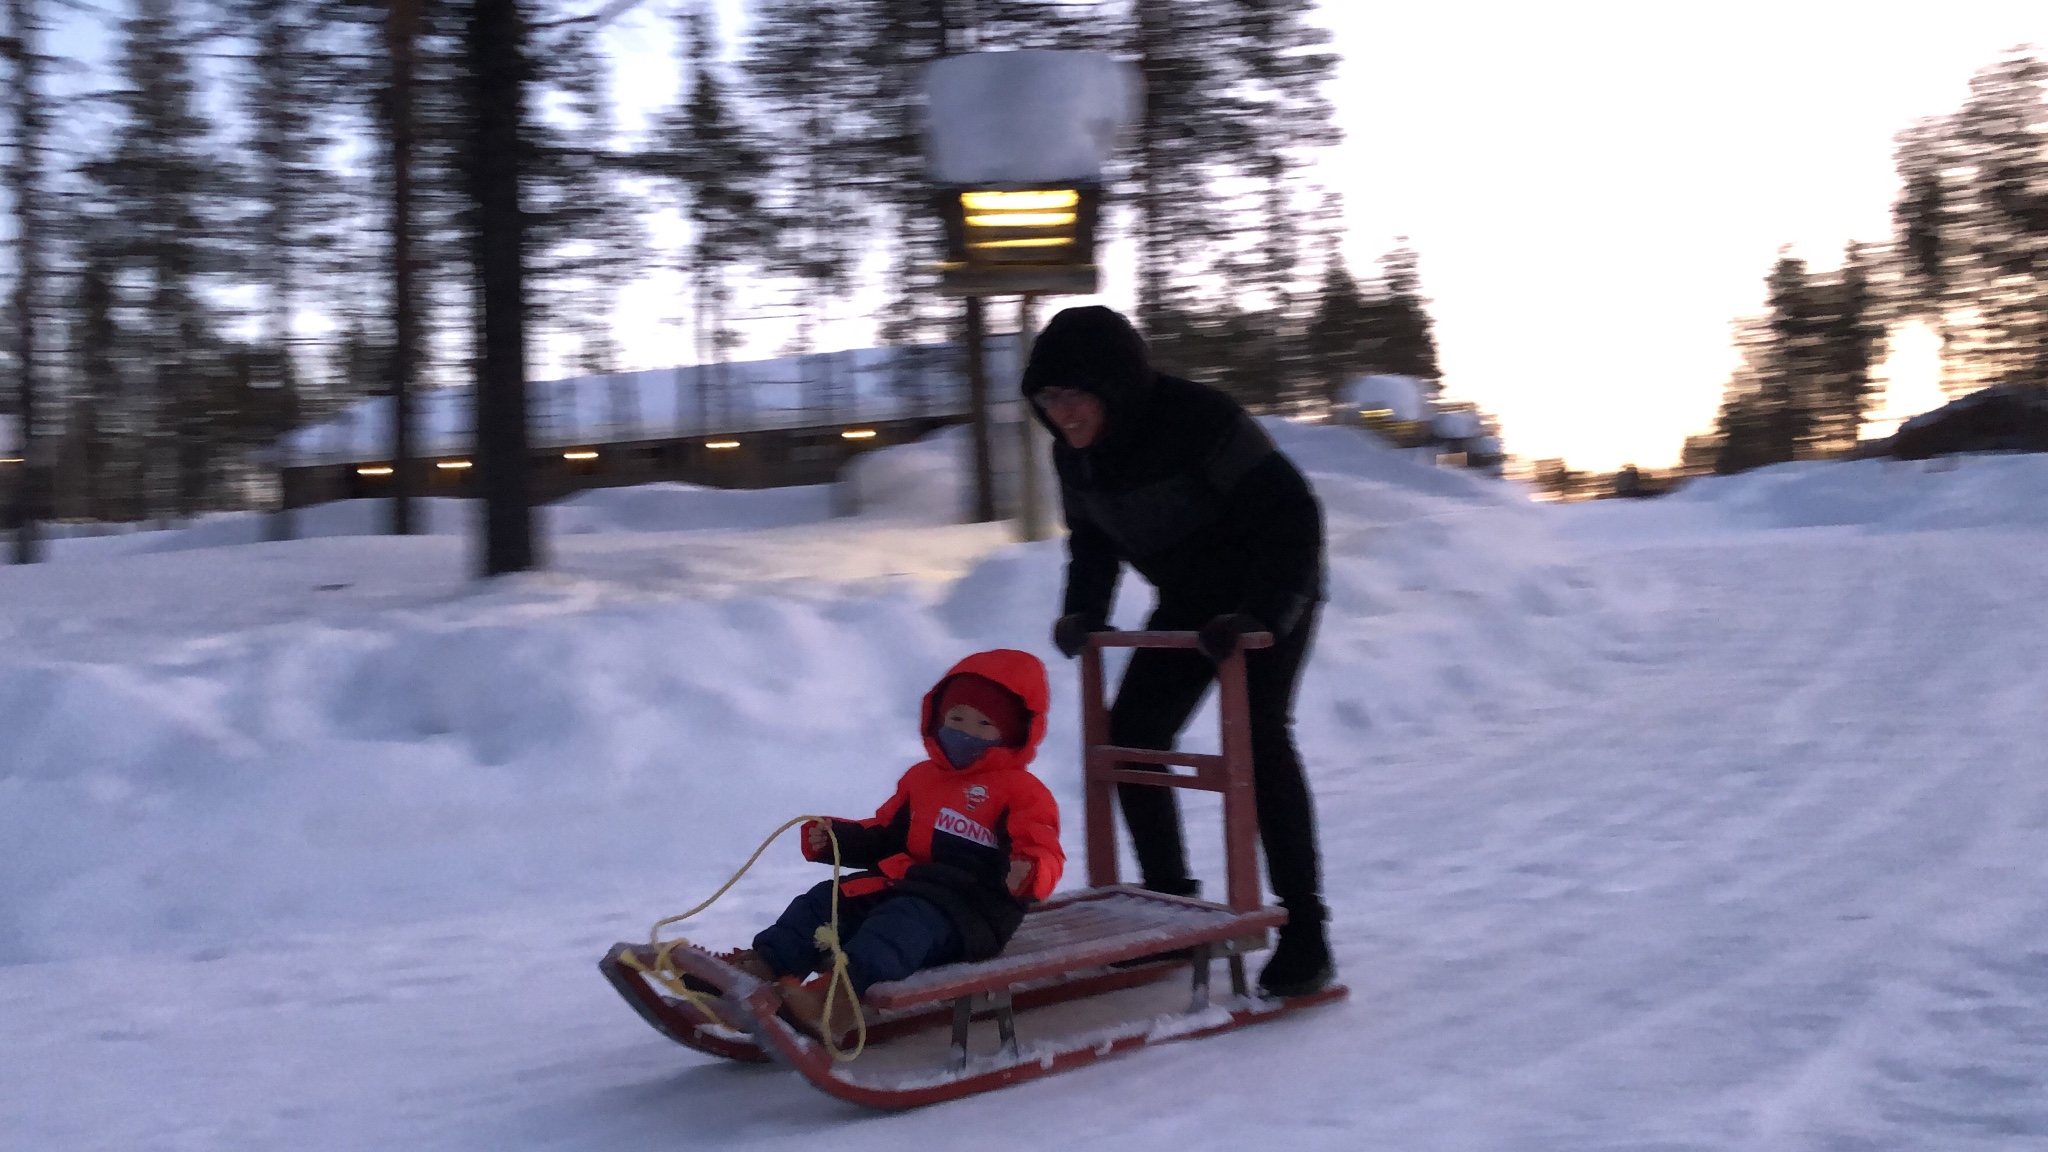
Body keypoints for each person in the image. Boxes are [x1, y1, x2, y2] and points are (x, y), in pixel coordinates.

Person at [1021, 304, 1334, 998]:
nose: (1063, 414)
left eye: (1075, 396)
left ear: (1115, 385)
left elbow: (1293, 516)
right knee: (1132, 734)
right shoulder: (1073, 454)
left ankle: (1307, 932)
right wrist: (1084, 612)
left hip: (1272, 581)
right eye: (1049, 400)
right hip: (1193, 596)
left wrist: (1262, 616)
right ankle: (1168, 903)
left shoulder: (1202, 420)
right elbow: (1093, 540)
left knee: (1257, 736)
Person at [720, 649, 1064, 1037]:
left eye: (984, 724)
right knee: (825, 900)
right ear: (937, 719)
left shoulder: (1021, 793)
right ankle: (761, 969)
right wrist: (835, 838)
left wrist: (1030, 871)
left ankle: (834, 1003)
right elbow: (885, 834)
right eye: (956, 719)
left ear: (1013, 734)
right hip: (905, 886)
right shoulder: (923, 779)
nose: (965, 732)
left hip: (971, 913)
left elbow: (1044, 848)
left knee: (895, 927)